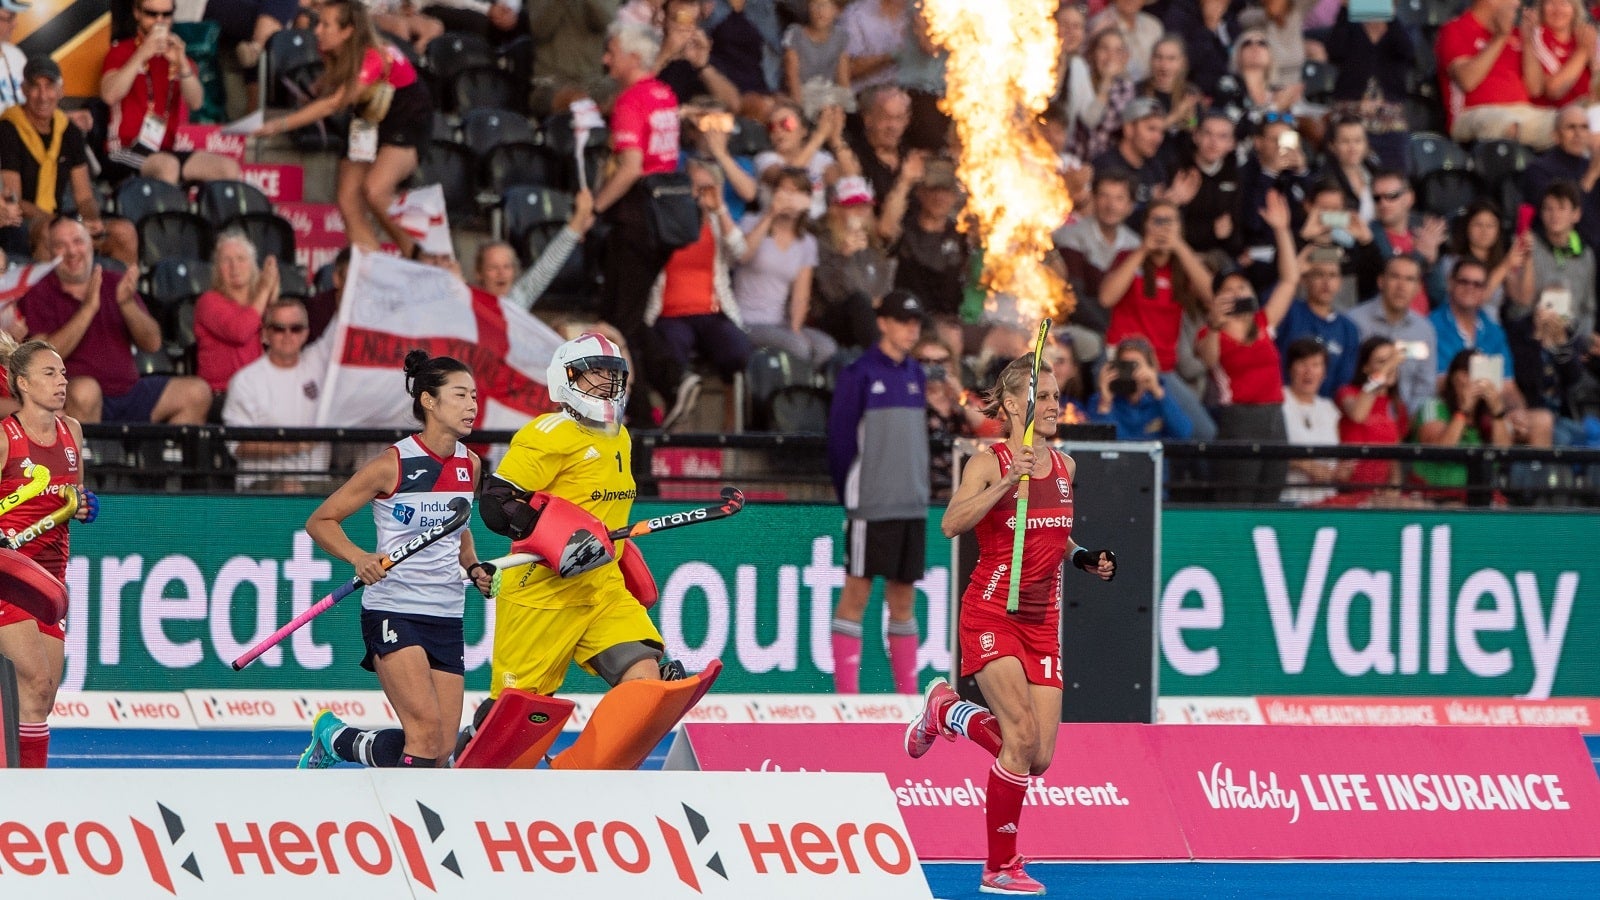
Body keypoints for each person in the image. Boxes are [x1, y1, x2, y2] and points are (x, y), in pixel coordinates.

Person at [905, 353, 1115, 897]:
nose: (1053, 405)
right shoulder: (989, 459)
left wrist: (1082, 556)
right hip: (993, 610)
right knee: (1018, 737)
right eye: (1043, 396)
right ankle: (1000, 866)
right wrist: (1007, 482)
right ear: (1015, 403)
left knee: (1037, 757)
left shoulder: (1067, 466)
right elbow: (952, 524)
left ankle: (948, 709)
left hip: (1043, 621)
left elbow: (1052, 531)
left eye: (1055, 395)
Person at [297, 351, 489, 769]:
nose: (473, 405)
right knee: (422, 739)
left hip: (447, 614)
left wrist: (473, 566)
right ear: (429, 401)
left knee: (440, 751)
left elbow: (458, 528)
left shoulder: (470, 465)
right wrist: (358, 556)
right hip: (394, 608)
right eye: (460, 395)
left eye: (474, 396)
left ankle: (337, 740)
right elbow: (321, 521)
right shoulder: (392, 464)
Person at [475, 333, 671, 719]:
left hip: (602, 589)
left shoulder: (622, 437)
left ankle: (597, 772)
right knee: (513, 717)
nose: (608, 383)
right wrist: (564, 541)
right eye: (596, 372)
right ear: (568, 379)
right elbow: (496, 504)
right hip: (542, 592)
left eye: (613, 374)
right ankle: (465, 765)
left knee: (645, 681)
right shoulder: (549, 434)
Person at [257, 0, 435, 258]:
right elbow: (331, 83)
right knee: (347, 198)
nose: (317, 31)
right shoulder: (330, 49)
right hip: (368, 118)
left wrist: (280, 124)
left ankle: (420, 257)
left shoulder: (373, 56)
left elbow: (334, 103)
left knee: (375, 190)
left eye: (326, 25)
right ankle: (372, 267)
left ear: (348, 31)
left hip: (406, 115)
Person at [593, 21, 700, 429]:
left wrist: (596, 208)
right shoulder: (664, 94)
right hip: (664, 216)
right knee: (627, 320)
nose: (607, 59)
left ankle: (664, 390)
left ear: (633, 56)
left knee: (618, 323)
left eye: (613, 51)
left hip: (636, 218)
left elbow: (630, 168)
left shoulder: (632, 99)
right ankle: (649, 405)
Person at [825, 290, 929, 695]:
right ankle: (846, 700)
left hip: (912, 505)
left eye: (916, 322)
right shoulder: (859, 374)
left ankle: (908, 698)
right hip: (871, 506)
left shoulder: (916, 374)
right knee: (857, 592)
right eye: (904, 321)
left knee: (904, 599)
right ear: (882, 322)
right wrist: (855, 496)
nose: (911, 329)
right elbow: (839, 445)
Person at [0, 336, 95, 768]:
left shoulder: (71, 432)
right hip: (8, 577)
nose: (62, 382)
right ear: (22, 382)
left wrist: (84, 506)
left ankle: (27, 798)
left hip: (49, 579)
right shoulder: (5, 438)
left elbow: (75, 497)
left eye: (63, 373)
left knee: (41, 697)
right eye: (50, 374)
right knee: (35, 679)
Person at [20, 216, 211, 425]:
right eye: (61, 245)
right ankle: (89, 457)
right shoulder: (39, 291)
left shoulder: (114, 281)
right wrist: (88, 309)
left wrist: (127, 305)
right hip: (76, 393)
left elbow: (152, 343)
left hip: (129, 392)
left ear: (91, 245)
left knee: (197, 392)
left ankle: (157, 458)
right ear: (50, 252)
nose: (72, 252)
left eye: (77, 242)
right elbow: (42, 357)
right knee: (86, 391)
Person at [1196, 191, 1300, 504]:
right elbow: (1208, 359)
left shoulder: (1263, 322)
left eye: (1243, 286)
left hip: (1274, 416)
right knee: (1236, 496)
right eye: (1230, 290)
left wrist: (1281, 230)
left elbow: (1290, 280)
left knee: (1272, 491)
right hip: (1238, 420)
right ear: (1216, 299)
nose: (1239, 292)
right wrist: (1215, 324)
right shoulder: (1208, 331)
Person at [0, 58, 136, 267]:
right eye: (35, 87)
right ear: (24, 90)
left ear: (61, 91)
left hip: (59, 218)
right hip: (22, 224)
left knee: (123, 232)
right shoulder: (9, 128)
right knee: (49, 232)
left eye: (50, 87)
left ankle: (121, 297)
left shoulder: (68, 131)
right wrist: (61, 224)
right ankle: (51, 298)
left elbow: (83, 196)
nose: (43, 95)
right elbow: (15, 200)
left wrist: (91, 220)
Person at [101, 0, 243, 186]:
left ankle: (196, 214)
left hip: (164, 149)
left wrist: (182, 63)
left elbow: (196, 102)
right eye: (152, 14)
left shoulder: (176, 53)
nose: (160, 20)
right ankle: (163, 215)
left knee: (227, 168)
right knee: (167, 166)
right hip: (124, 148)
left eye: (166, 15)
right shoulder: (121, 50)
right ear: (137, 13)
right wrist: (143, 53)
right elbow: (109, 95)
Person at [222, 298, 334, 492]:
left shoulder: (318, 365)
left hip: (317, 483)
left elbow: (341, 323)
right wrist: (293, 445)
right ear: (265, 333)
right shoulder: (246, 380)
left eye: (296, 328)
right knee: (291, 488)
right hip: (262, 484)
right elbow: (238, 446)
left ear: (306, 333)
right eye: (279, 328)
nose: (288, 335)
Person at [736, 166, 836, 367]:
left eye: (797, 192)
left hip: (778, 322)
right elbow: (742, 255)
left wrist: (796, 329)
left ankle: (803, 394)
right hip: (746, 321)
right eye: (785, 191)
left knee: (826, 347)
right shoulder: (751, 222)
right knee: (798, 347)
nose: (790, 198)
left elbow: (801, 294)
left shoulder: (807, 242)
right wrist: (771, 214)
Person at [1438, 0, 1557, 148]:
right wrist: (1500, 36)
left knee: (1568, 122)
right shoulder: (1455, 28)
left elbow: (1535, 89)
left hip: (1522, 112)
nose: (1518, 3)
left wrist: (1527, 42)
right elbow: (1467, 81)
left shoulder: (1517, 33)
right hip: (1472, 113)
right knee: (1504, 123)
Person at [1412, 348, 1514, 498]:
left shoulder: (1493, 415)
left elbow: (1504, 454)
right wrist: (1464, 411)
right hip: (1437, 496)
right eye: (1469, 373)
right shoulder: (1433, 407)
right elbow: (1440, 451)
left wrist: (1497, 412)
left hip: (1482, 497)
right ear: (1456, 377)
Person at [1346, 254, 1440, 413]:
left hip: (1406, 420)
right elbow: (1346, 379)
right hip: (1360, 415)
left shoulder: (1424, 330)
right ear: (1381, 281)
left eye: (1409, 279)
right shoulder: (1353, 322)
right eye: (1395, 277)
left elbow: (1425, 384)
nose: (1401, 286)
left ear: (1418, 288)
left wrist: (1405, 420)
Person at [197, 232, 282, 397]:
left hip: (258, 391)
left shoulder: (258, 303)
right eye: (226, 260)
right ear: (217, 269)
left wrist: (273, 292)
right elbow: (239, 332)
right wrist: (264, 290)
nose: (234, 266)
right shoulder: (209, 301)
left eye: (241, 259)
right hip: (222, 394)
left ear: (252, 266)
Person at [1275, 247, 1361, 397]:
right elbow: (1266, 309)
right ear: (1305, 279)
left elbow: (1344, 383)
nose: (1326, 282)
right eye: (1319, 274)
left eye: (1333, 275)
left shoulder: (1349, 329)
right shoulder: (1290, 311)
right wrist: (1295, 271)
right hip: (1283, 401)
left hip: (1324, 410)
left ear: (1340, 282)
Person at [1521, 104, 1600, 252]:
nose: (1578, 134)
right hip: (1558, 252)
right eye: (1571, 127)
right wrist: (1590, 177)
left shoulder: (1591, 165)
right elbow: (1556, 218)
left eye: (1584, 127)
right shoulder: (1539, 169)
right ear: (1555, 136)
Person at [1086, 335, 1195, 441]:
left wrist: (1159, 393)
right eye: (1125, 366)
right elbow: (1097, 444)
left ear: (1151, 367)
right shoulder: (1100, 400)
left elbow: (1184, 434)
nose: (1131, 373)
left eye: (1135, 365)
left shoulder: (1162, 398)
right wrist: (1105, 404)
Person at [1279, 337, 1349, 505]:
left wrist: (1341, 471)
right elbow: (1266, 450)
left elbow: (1337, 462)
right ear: (1290, 368)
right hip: (1287, 500)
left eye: (1316, 365)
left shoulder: (1330, 409)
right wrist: (1305, 465)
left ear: (1324, 373)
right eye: (1302, 363)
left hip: (1325, 502)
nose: (1309, 371)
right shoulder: (1277, 401)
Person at [1337, 335, 1409, 495]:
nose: (1390, 367)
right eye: (1381, 362)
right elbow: (1358, 414)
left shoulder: (1397, 406)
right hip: (1347, 491)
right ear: (1366, 368)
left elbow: (1394, 457)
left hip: (1380, 496)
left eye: (1392, 361)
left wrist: (1394, 489)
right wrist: (1385, 370)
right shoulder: (1348, 393)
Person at [1061, 27, 1136, 163]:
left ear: (1125, 57)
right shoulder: (1081, 77)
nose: (1110, 56)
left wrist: (1107, 81)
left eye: (1117, 51)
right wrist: (1106, 82)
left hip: (1107, 165)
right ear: (1093, 53)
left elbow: (1106, 125)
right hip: (1073, 159)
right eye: (1104, 49)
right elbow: (1089, 120)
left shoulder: (1126, 88)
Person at [1522, 0, 1596, 109]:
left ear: (1575, 9)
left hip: (1588, 110)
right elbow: (1554, 89)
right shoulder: (1537, 35)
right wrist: (1583, 53)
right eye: (1551, 3)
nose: (1558, 10)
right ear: (1542, 7)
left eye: (1564, 3)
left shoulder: (1583, 35)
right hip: (1554, 114)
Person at [783, 0, 851, 103]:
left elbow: (843, 77)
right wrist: (799, 106)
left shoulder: (840, 37)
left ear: (837, 10)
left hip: (828, 95)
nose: (820, 11)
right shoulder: (795, 34)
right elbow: (792, 76)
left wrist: (845, 105)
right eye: (815, 5)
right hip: (801, 95)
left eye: (826, 6)